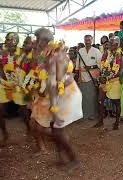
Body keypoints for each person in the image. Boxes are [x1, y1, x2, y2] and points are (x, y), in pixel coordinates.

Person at [28, 28, 82, 168]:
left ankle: (73, 159)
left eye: (37, 40)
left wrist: (54, 109)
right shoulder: (48, 54)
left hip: (68, 94)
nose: (36, 42)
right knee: (54, 128)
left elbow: (52, 84)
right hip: (60, 92)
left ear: (45, 41)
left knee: (57, 129)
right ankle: (62, 158)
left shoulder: (54, 56)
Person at [0, 32, 30, 144]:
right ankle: (5, 134)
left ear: (14, 41)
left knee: (23, 111)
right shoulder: (1, 51)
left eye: (8, 39)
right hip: (6, 85)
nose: (5, 41)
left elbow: (28, 67)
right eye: (6, 39)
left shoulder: (22, 52)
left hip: (18, 84)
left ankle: (29, 129)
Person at [94, 37, 122, 130]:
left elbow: (119, 71)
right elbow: (102, 66)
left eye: (111, 44)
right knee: (100, 100)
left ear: (117, 45)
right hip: (104, 81)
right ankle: (100, 121)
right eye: (109, 43)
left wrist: (107, 77)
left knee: (116, 102)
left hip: (114, 81)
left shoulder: (120, 55)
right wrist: (101, 77)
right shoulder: (106, 53)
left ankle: (117, 122)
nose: (109, 46)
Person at [75, 35, 102, 120]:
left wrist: (90, 67)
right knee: (83, 97)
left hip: (92, 77)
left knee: (92, 97)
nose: (87, 42)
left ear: (92, 40)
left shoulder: (96, 51)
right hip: (82, 77)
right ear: (84, 40)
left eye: (89, 40)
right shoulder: (80, 50)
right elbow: (77, 65)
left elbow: (100, 64)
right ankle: (84, 115)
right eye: (86, 40)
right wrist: (77, 75)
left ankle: (92, 115)